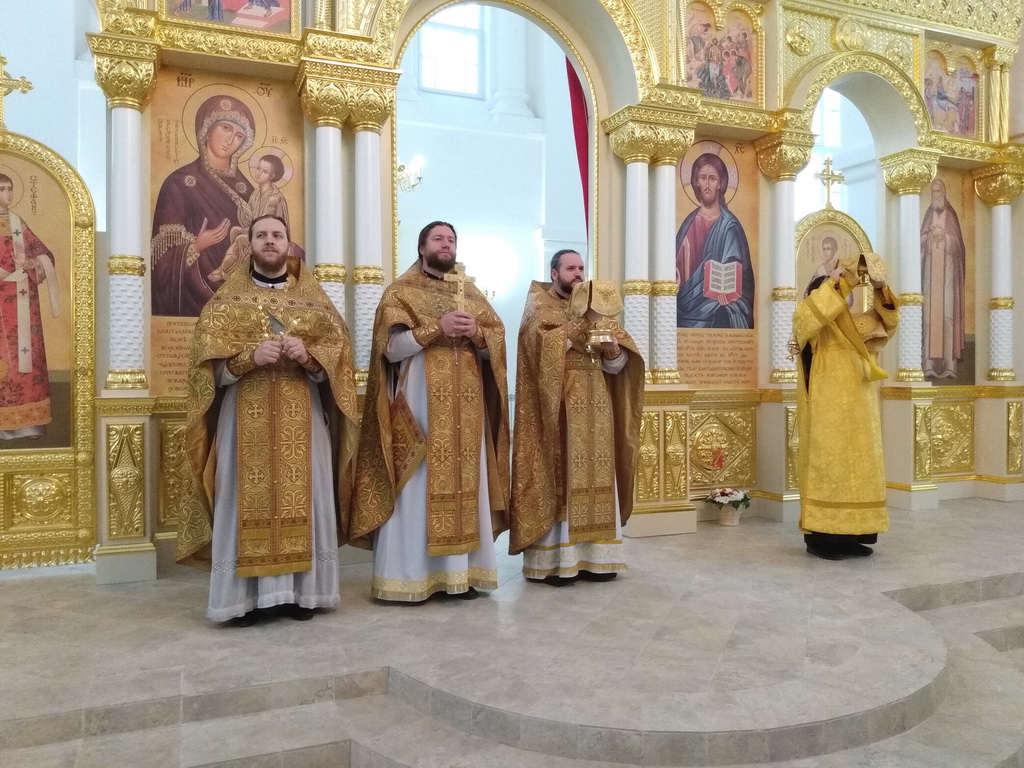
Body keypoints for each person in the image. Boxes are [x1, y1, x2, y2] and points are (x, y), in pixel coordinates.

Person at [176, 215, 359, 624]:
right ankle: (244, 601)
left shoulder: (315, 303)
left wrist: (310, 357)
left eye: (277, 235)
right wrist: (248, 358)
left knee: (306, 498)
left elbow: (339, 363)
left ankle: (302, 594)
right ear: (250, 245)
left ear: (289, 245)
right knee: (240, 499)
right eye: (261, 235)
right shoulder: (226, 303)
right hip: (244, 415)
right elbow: (206, 374)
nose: (270, 241)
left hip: (303, 417)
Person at [349, 221, 510, 602]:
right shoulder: (400, 292)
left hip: (467, 413)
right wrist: (436, 328)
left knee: (467, 487)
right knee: (416, 486)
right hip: (420, 408)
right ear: (422, 247)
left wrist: (477, 334)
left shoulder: (471, 293)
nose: (446, 244)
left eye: (451, 239)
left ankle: (462, 575)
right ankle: (411, 578)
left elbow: (494, 347)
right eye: (438, 239)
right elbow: (390, 350)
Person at [509, 250, 645, 585]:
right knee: (563, 476)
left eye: (581, 268)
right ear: (554, 273)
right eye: (571, 268)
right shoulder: (540, 307)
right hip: (557, 407)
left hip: (597, 406)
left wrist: (613, 349)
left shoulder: (599, 311)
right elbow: (540, 350)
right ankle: (558, 562)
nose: (578, 273)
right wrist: (582, 323)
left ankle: (598, 559)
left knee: (598, 476)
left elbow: (617, 367)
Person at [793, 253, 899, 560]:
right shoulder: (811, 321)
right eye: (833, 289)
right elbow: (809, 317)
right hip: (827, 408)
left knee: (860, 471)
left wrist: (880, 287)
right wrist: (842, 280)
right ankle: (821, 540)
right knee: (829, 469)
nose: (842, 295)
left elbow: (888, 323)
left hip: (861, 410)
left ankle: (853, 537)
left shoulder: (858, 324)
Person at [151, 94, 255, 317]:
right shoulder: (178, 183)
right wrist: (196, 246)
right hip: (197, 298)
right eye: (225, 128)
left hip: (244, 298)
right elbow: (160, 262)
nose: (231, 140)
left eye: (239, 136)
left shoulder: (248, 190)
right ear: (207, 129)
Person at [0, 174, 59, 440]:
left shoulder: (17, 223)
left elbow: (45, 255)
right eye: (2, 189)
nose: (8, 194)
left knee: (26, 357)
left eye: (10, 189)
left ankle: (28, 423)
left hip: (22, 300)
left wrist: (31, 262)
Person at [676, 152, 754, 328]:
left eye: (712, 178)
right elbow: (677, 268)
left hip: (717, 308)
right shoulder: (689, 223)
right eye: (703, 178)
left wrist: (730, 294)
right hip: (685, 308)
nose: (707, 184)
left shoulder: (730, 225)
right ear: (696, 181)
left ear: (720, 183)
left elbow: (740, 273)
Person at [920, 178, 966, 379]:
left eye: (939, 191)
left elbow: (959, 247)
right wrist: (930, 237)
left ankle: (949, 365)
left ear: (944, 193)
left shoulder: (951, 215)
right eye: (933, 192)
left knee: (947, 317)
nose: (936, 195)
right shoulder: (928, 215)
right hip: (930, 276)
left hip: (947, 274)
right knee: (928, 319)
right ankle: (928, 364)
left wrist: (946, 237)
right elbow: (920, 242)